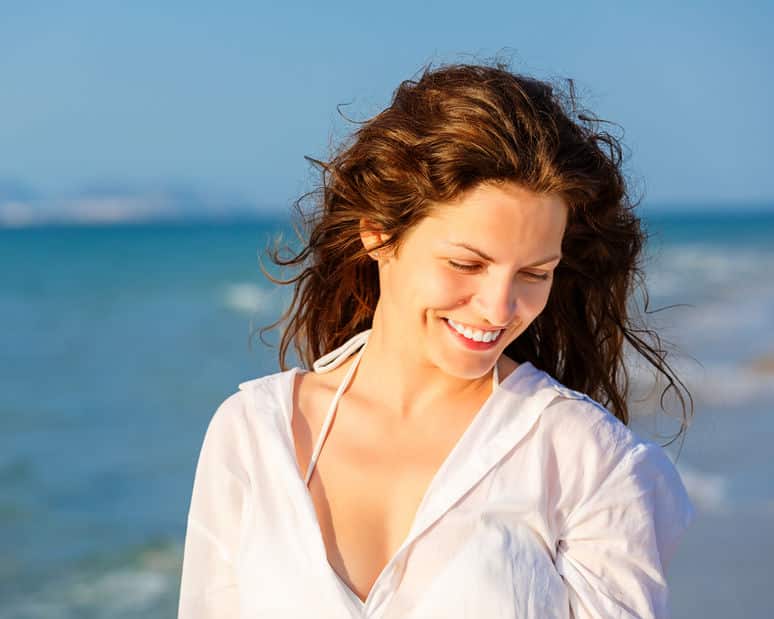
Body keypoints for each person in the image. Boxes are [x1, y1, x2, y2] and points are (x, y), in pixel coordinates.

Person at [177, 61, 695, 618]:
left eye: (534, 273)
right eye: (466, 263)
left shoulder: (588, 459)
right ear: (377, 233)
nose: (500, 307)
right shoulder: (255, 433)